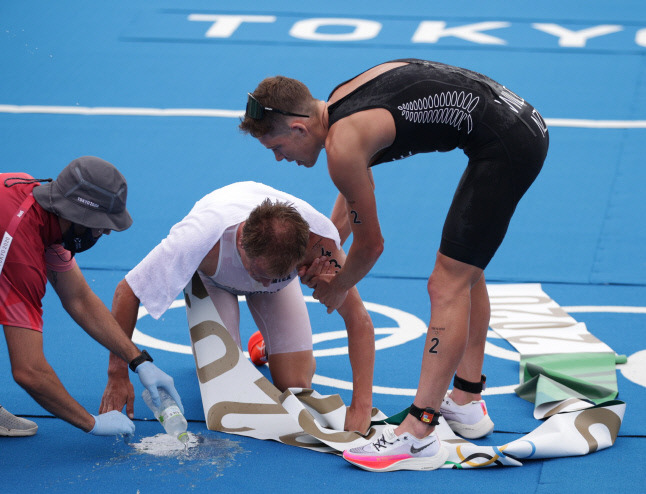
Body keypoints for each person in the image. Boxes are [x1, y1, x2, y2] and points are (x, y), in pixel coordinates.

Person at [240, 58, 549, 471]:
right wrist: (319, 248)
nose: (280, 159)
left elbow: (372, 245)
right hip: (518, 121)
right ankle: (467, 402)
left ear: (298, 128)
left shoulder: (342, 146)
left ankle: (418, 436)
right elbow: (354, 198)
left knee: (447, 284)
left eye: (277, 148)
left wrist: (337, 286)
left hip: (508, 145)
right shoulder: (338, 102)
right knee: (466, 268)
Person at [99, 181, 375, 433]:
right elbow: (127, 291)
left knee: (296, 387)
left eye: (278, 274)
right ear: (241, 242)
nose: (266, 283)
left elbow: (358, 319)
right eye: (261, 274)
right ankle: (259, 339)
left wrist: (361, 408)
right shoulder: (198, 238)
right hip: (213, 281)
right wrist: (118, 373)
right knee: (229, 399)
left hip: (279, 283)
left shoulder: (319, 243)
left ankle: (267, 347)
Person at [1, 156, 182, 437]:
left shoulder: (43, 212)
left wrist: (138, 361)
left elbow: (80, 299)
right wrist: (90, 423)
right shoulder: (19, 254)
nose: (107, 231)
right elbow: (29, 370)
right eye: (100, 224)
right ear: (75, 216)